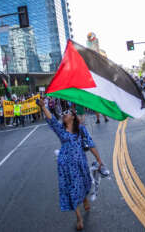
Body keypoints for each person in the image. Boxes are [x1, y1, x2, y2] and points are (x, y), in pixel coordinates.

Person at [37, 98, 103, 231]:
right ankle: (79, 217)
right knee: (72, 189)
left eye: (66, 113)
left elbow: (90, 144)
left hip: (81, 163)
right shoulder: (61, 130)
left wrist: (99, 159)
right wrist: (43, 107)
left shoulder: (81, 130)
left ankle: (84, 198)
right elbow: (51, 120)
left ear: (73, 116)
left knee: (84, 183)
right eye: (63, 114)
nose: (63, 115)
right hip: (66, 166)